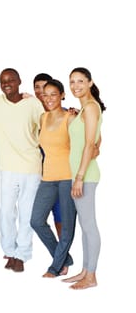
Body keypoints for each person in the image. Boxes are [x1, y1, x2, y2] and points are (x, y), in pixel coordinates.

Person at [0, 68, 44, 273]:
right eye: (3, 81)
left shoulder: (32, 103)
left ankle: (21, 255)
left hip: (32, 166)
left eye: (11, 80)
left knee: (26, 212)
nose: (7, 84)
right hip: (7, 167)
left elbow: (47, 124)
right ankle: (9, 250)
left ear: (19, 81)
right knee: (6, 212)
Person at [62, 67, 105, 290]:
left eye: (80, 81)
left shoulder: (90, 108)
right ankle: (85, 271)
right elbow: (97, 140)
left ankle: (92, 276)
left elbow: (90, 144)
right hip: (79, 174)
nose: (75, 85)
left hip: (85, 176)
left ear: (90, 82)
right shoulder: (84, 110)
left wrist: (79, 177)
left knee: (89, 226)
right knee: (85, 226)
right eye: (72, 82)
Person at [30, 79, 77, 278]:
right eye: (45, 94)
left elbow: (87, 143)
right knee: (36, 221)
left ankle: (55, 267)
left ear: (62, 95)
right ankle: (64, 258)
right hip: (47, 177)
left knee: (66, 225)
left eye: (53, 94)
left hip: (68, 177)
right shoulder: (42, 118)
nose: (48, 98)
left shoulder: (71, 117)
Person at [33, 73, 63, 238]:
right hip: (36, 172)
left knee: (59, 215)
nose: (41, 92)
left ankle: (62, 256)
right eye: (37, 87)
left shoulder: (66, 114)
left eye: (44, 88)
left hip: (58, 174)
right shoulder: (32, 110)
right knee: (35, 219)